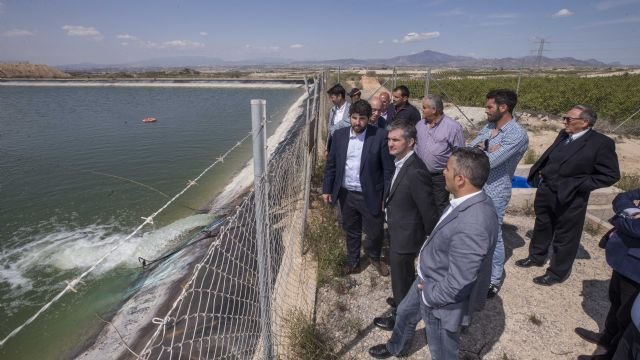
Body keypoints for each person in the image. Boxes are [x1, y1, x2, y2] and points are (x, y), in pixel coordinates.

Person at [368, 147, 498, 360]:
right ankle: (396, 347)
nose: (442, 172)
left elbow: (460, 279)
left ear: (460, 179)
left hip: (440, 297)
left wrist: (430, 295)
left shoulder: (474, 223)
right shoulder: (468, 201)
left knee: (442, 349)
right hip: (427, 278)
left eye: (446, 168)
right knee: (405, 314)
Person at [516, 105, 621, 286]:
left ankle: (557, 272)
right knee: (543, 225)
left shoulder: (601, 143)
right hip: (547, 190)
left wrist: (578, 185)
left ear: (585, 122)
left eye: (569, 119)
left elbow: (610, 175)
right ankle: (536, 256)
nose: (564, 121)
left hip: (571, 196)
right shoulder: (564, 135)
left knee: (566, 235)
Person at [373, 118, 438, 330]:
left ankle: (401, 317)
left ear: (410, 142)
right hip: (399, 229)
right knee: (403, 274)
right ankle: (405, 300)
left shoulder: (416, 170)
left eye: (396, 140)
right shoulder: (401, 162)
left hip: (407, 235)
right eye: (389, 139)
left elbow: (428, 208)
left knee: (401, 276)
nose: (390, 144)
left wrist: (430, 238)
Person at [322, 100, 395, 276]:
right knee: (351, 229)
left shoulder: (379, 136)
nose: (357, 122)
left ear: (369, 119)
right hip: (346, 194)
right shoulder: (339, 136)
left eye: (362, 118)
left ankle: (375, 258)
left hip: (371, 194)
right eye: (354, 118)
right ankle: (353, 262)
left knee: (375, 231)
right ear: (350, 117)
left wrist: (385, 197)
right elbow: (331, 165)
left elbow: (388, 170)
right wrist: (326, 189)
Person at [469, 89, 529, 297]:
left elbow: (491, 162)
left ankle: (493, 279)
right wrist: (487, 146)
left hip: (495, 191)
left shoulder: (517, 135)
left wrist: (483, 147)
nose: (485, 111)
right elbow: (470, 149)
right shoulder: (489, 126)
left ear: (503, 108)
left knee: (493, 236)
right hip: (476, 187)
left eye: (489, 107)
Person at [575, 188, 640, 360]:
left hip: (636, 269)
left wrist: (623, 216)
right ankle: (607, 337)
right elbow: (622, 197)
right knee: (616, 300)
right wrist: (632, 212)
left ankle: (611, 354)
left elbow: (636, 228)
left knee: (627, 317)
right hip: (623, 257)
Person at [415, 94, 465, 215]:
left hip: (440, 177)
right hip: (420, 173)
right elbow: (415, 144)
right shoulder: (420, 125)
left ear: (434, 110)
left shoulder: (453, 127)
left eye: (425, 107)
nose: (422, 110)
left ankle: (441, 230)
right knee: (421, 203)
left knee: (440, 204)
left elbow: (459, 153)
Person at [326, 84, 351, 152]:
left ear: (339, 96)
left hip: (345, 145)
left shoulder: (351, 109)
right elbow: (330, 128)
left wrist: (333, 129)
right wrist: (327, 146)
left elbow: (348, 124)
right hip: (333, 143)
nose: (331, 100)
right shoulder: (332, 110)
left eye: (332, 97)